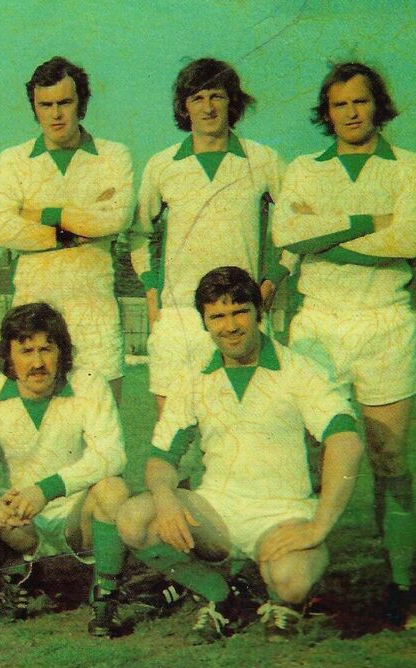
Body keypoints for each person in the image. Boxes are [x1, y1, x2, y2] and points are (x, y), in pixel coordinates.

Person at [115, 266, 363, 641]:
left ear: (258, 311)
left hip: (282, 513)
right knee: (135, 517)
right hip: (217, 514)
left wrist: (319, 525)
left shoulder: (299, 370)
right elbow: (161, 457)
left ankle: (283, 602)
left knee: (292, 581)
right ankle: (221, 597)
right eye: (217, 316)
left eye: (239, 312)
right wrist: (165, 499)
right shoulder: (194, 376)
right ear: (204, 322)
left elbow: (347, 442)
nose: (230, 326)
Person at [271, 62, 416, 629]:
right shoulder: (304, 169)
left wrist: (326, 235)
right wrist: (369, 223)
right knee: (313, 458)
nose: (350, 113)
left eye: (360, 101)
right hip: (318, 325)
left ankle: (401, 586)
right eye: (339, 104)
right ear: (327, 112)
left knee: (389, 458)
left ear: (377, 104)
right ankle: (303, 586)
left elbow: (407, 239)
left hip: (385, 321)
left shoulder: (411, 167)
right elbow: (288, 235)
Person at [0, 302, 131, 636]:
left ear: (61, 351)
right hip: (23, 522)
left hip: (77, 516)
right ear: (9, 355)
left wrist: (46, 490)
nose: (37, 363)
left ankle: (106, 597)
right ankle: (17, 573)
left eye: (46, 349)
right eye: (26, 351)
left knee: (114, 489)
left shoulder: (88, 383)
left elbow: (112, 455)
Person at [130, 57, 296, 416]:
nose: (208, 108)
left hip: (239, 315)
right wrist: (152, 293)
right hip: (178, 317)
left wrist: (272, 281)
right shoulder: (162, 164)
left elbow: (298, 226)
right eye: (198, 98)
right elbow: (138, 234)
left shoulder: (263, 160)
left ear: (232, 101)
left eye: (217, 96)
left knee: (244, 427)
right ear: (184, 107)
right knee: (174, 432)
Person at [0, 56, 134, 405]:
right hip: (33, 317)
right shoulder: (12, 160)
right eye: (45, 105)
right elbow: (2, 228)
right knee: (35, 424)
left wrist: (38, 213)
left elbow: (115, 218)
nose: (56, 114)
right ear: (34, 108)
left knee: (103, 424)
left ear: (81, 103)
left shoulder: (114, 155)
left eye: (64, 102)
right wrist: (74, 230)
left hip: (94, 313)